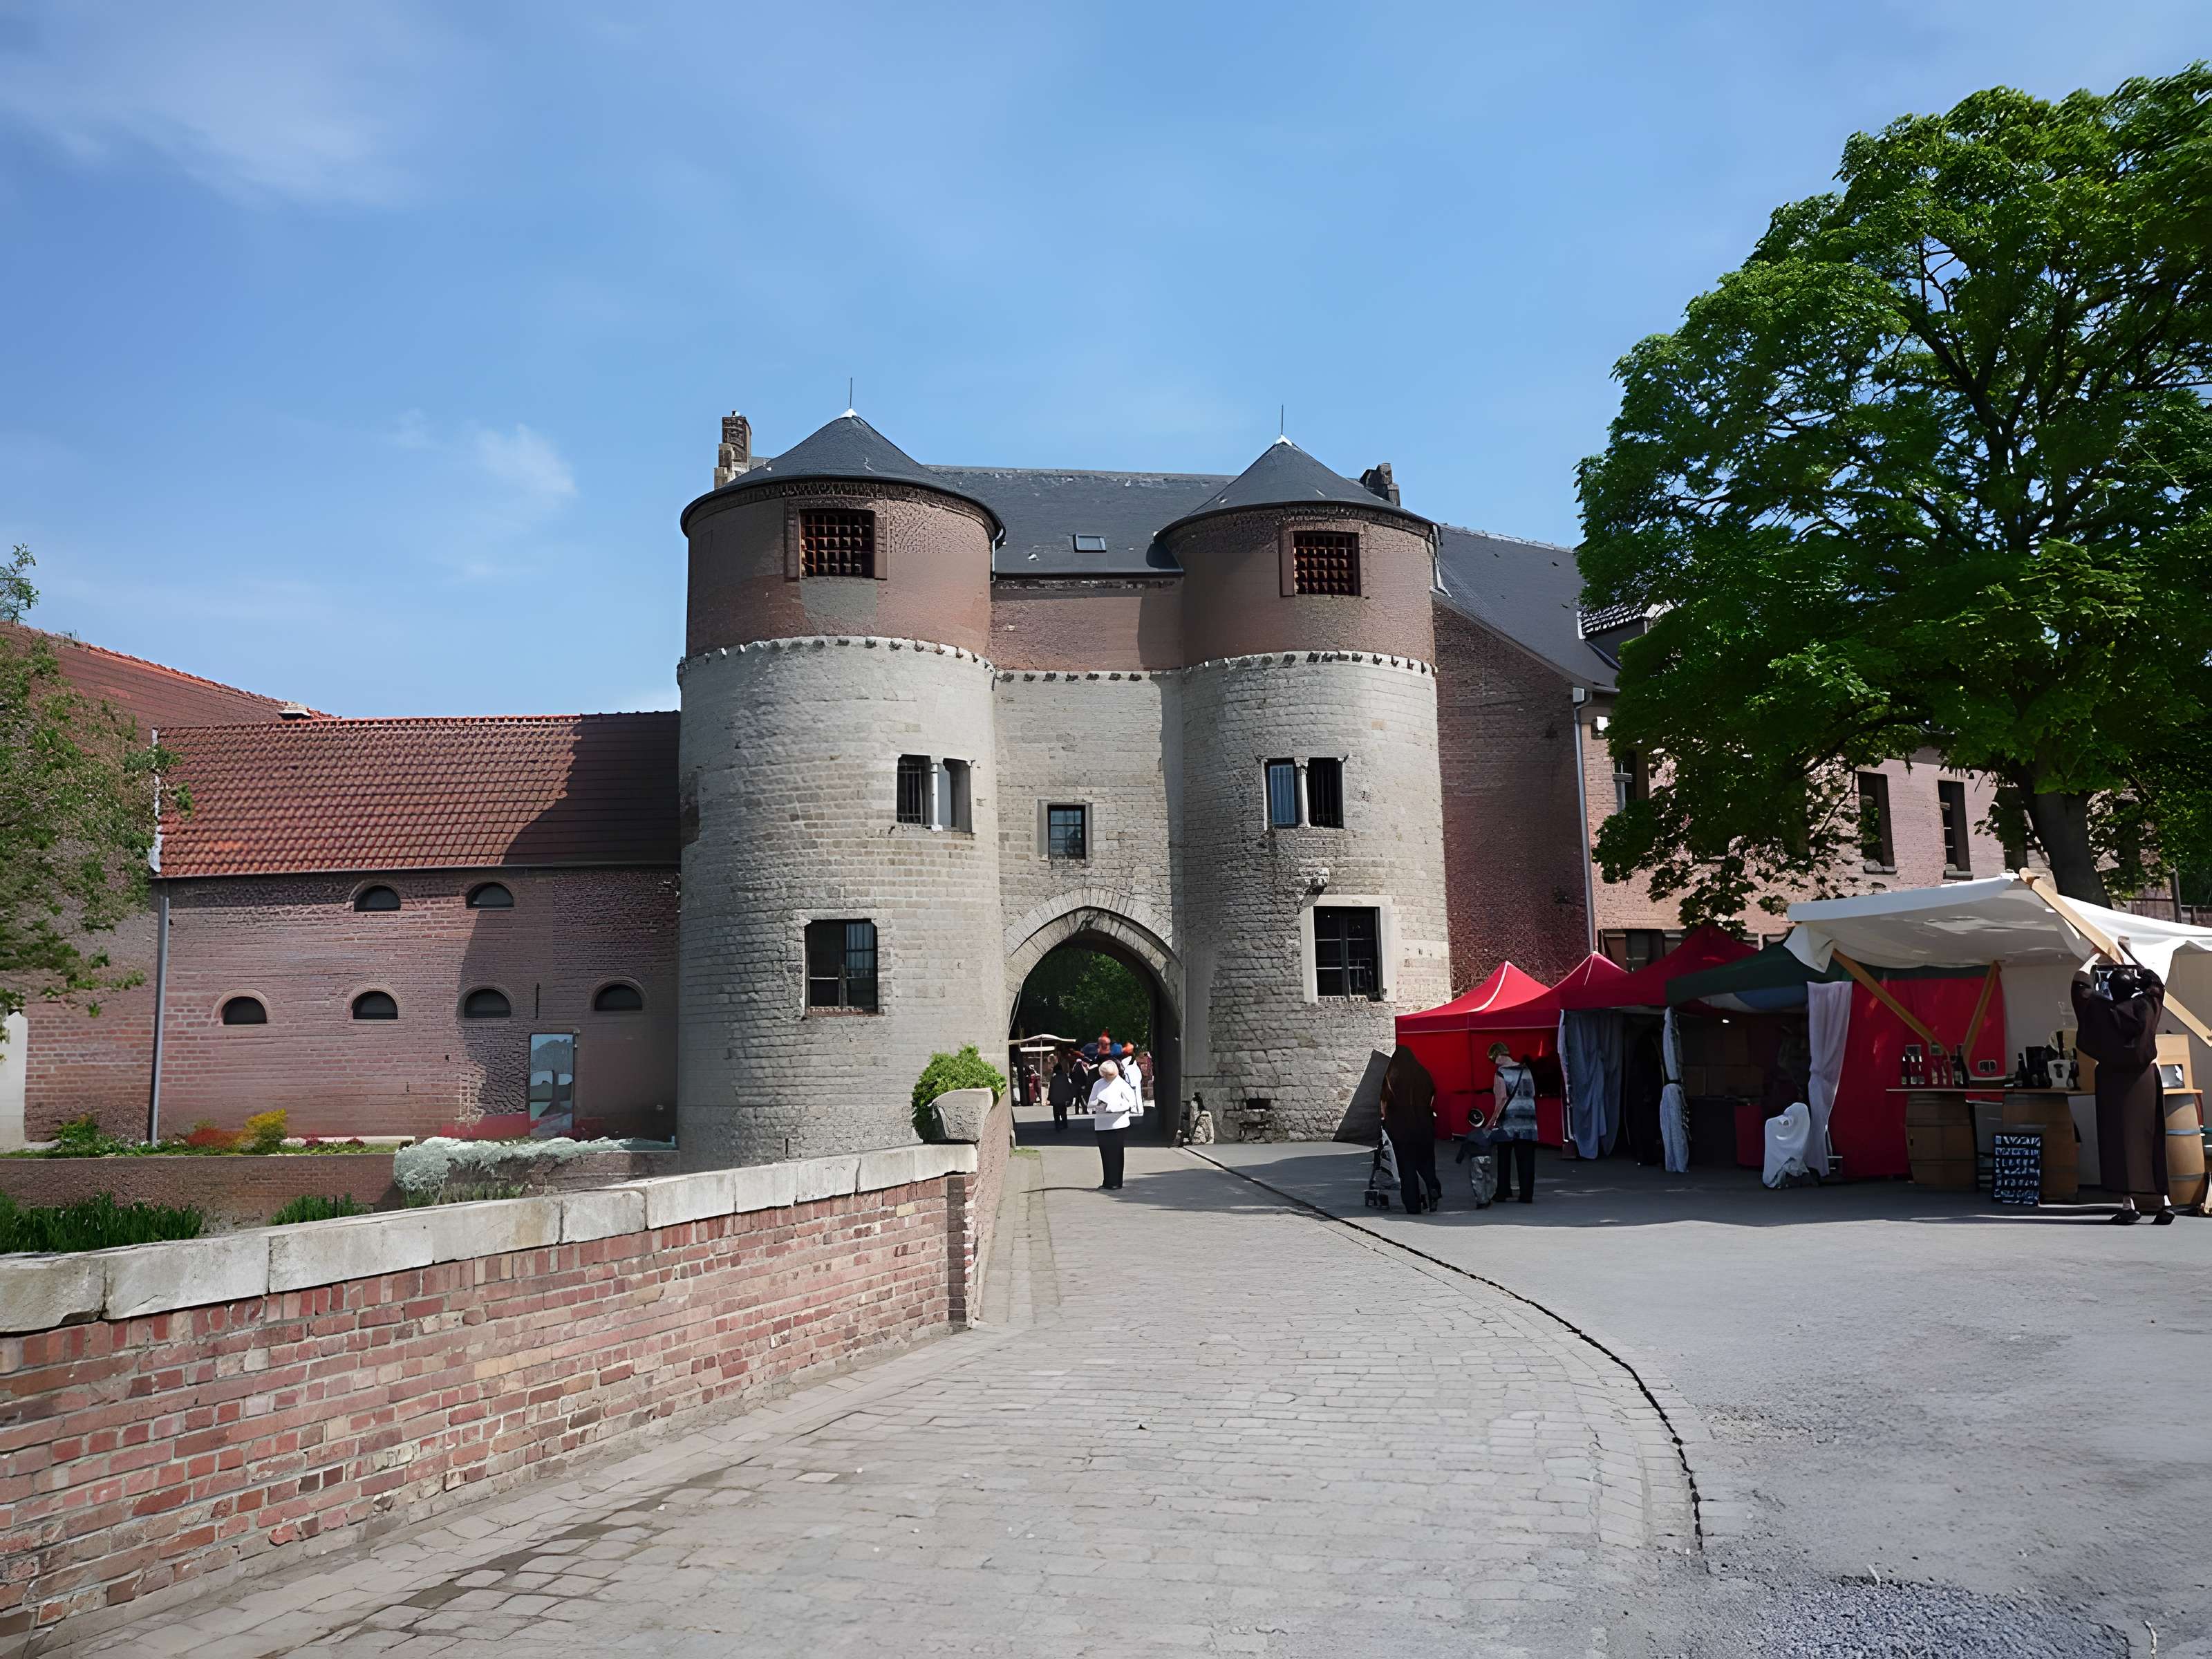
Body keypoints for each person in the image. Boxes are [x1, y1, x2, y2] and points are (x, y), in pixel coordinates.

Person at [2072, 963, 2173, 1224]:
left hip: (2113, 1082)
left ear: (2109, 989)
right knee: (2150, 1139)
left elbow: (2079, 990)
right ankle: (2163, 1203)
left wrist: (2089, 961)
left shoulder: (2101, 1010)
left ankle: (2128, 1205)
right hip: (2145, 1081)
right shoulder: (2146, 1008)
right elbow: (2156, 986)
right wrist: (2142, 972)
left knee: (2119, 1144)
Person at [1377, 1044, 1443, 1214]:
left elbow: (1383, 1105)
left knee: (1407, 1168)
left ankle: (1412, 1205)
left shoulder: (1391, 1078)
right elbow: (1431, 1099)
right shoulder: (1423, 1074)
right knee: (1427, 1161)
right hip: (1424, 1126)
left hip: (1400, 1129)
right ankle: (1433, 1187)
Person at [1489, 1042, 1540, 1204]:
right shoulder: (1526, 1069)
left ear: (1497, 1056)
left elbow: (1501, 1099)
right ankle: (1527, 1194)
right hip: (1528, 1120)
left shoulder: (1501, 1073)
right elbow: (1532, 1092)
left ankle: (1503, 1191)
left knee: (1504, 1157)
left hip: (1508, 1122)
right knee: (1526, 1159)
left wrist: (1492, 1121)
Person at [1089, 1058, 1138, 1190]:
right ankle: (1107, 1181)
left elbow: (1132, 1103)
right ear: (1102, 1074)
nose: (1109, 1078)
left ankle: (1117, 1182)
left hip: (1118, 1123)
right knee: (1105, 1153)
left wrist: (1115, 1106)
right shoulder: (1098, 1085)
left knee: (1116, 1153)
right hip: (1101, 1124)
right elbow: (1090, 1103)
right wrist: (1098, 1104)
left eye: (1111, 1075)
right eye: (1106, 1075)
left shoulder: (1122, 1084)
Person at [1047, 1051, 1078, 1132]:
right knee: (1063, 1112)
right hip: (1063, 1099)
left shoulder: (1054, 1078)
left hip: (1055, 1099)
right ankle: (1065, 1124)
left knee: (1056, 1113)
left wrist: (1049, 1098)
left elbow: (1051, 1088)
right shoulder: (1064, 1077)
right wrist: (1069, 1096)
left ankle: (1057, 1125)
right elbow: (1068, 1087)